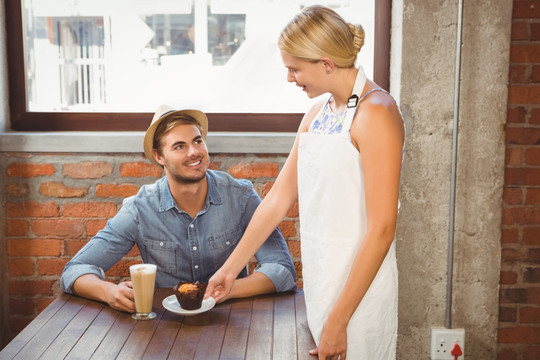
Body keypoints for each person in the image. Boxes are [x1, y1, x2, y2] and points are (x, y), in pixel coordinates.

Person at [205, 5, 405, 360]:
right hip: (323, 281)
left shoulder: (377, 113)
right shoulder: (318, 114)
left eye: (294, 68)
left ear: (326, 63)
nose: (290, 78)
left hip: (359, 296)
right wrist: (230, 269)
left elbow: (383, 229)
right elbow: (279, 198)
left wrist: (340, 319)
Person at [60, 104, 297, 313]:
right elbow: (74, 271)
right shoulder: (140, 209)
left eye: (197, 141)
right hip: (164, 327)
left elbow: (282, 271)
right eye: (179, 146)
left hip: (233, 323)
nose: (194, 152)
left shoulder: (241, 197)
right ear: (158, 156)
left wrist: (224, 290)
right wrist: (108, 292)